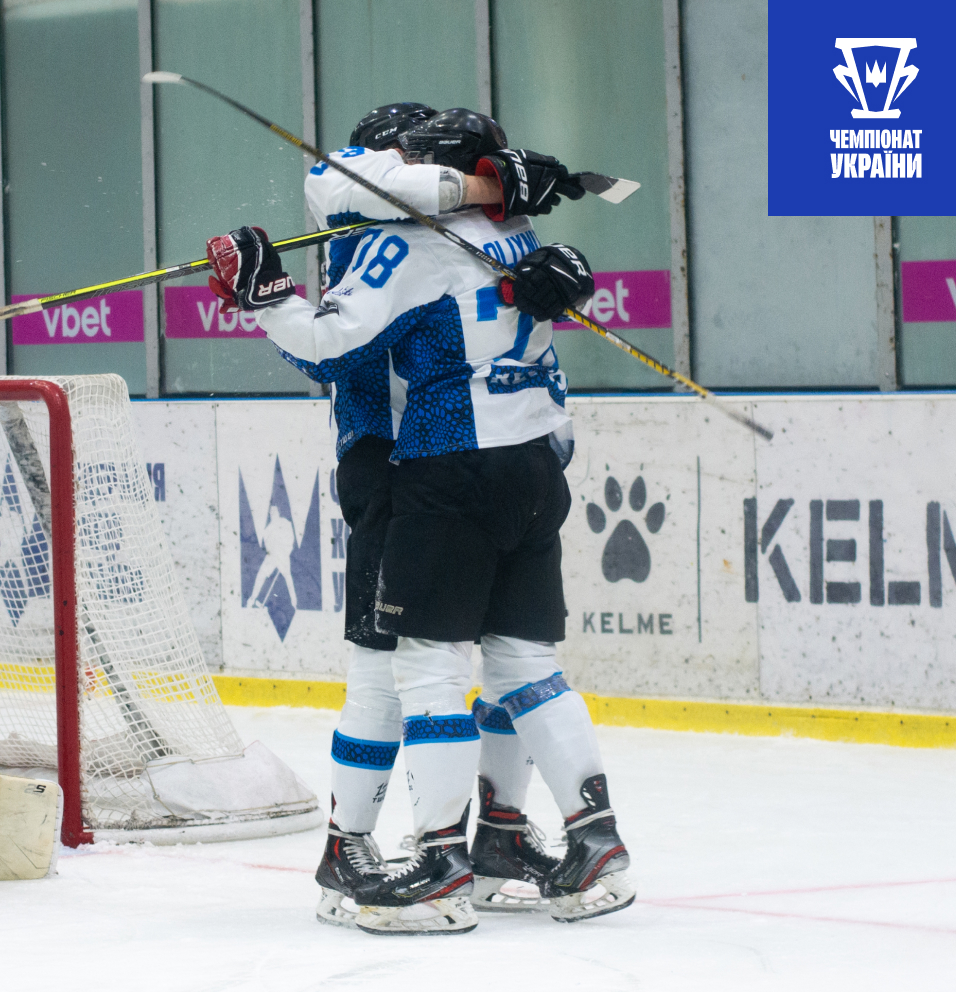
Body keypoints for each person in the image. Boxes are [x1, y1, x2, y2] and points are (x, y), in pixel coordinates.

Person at [211, 107, 630, 935]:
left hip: (428, 470)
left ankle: (436, 855)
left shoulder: (396, 238)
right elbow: (345, 196)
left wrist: (264, 299)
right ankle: (574, 837)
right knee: (515, 664)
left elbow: (340, 349)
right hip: (522, 461)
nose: (372, 162)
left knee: (413, 671)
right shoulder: (496, 227)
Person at [303, 105, 593, 924]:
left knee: (499, 663)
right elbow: (327, 344)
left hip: (470, 472)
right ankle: (347, 847)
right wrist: (483, 180)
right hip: (393, 473)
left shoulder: (462, 227)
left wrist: (547, 254)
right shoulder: (362, 220)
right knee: (385, 675)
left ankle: (494, 831)